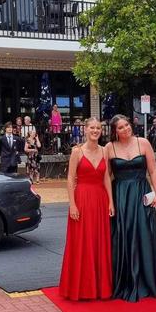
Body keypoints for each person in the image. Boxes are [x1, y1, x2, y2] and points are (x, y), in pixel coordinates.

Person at [105, 114, 156, 302]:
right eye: (120, 127)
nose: (125, 129)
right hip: (121, 196)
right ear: (114, 131)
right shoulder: (109, 148)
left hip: (141, 192)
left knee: (145, 233)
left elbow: (152, 170)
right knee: (123, 235)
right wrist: (110, 201)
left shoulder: (143, 143)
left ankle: (149, 280)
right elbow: (106, 176)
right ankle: (125, 281)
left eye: (127, 125)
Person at [59, 117, 114, 300]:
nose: (95, 130)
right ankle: (80, 288)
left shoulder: (105, 151)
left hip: (100, 199)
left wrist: (111, 202)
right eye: (92, 127)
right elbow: (70, 178)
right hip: (82, 199)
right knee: (82, 241)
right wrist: (72, 204)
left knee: (99, 241)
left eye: (98, 128)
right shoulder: (77, 151)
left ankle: (100, 288)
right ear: (85, 129)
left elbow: (106, 177)